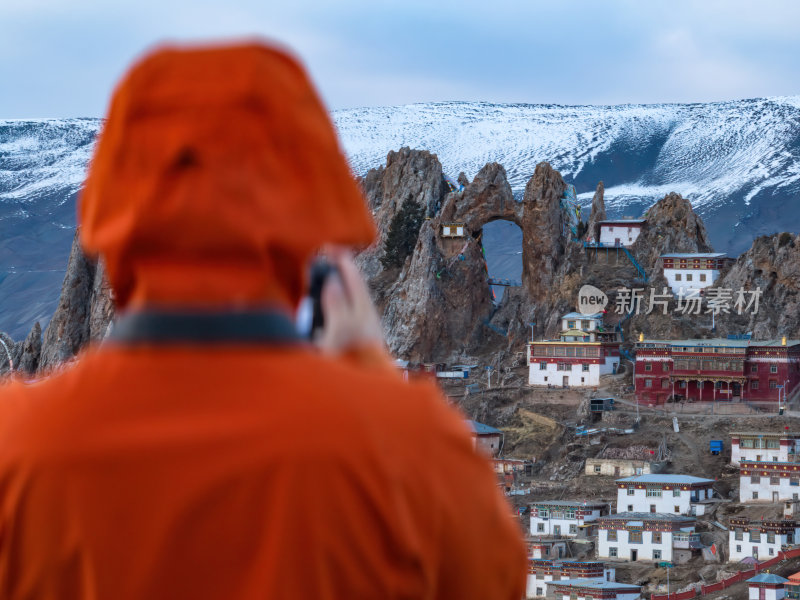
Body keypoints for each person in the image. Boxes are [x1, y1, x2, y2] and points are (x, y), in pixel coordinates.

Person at [0, 42, 526, 599]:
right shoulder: (415, 461)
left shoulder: (18, 454)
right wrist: (372, 388)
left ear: (117, 218)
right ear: (310, 221)